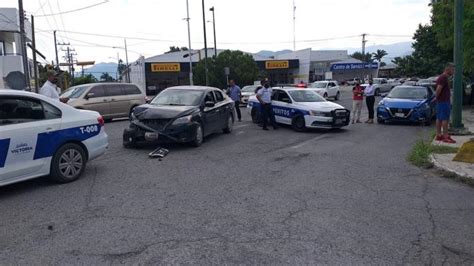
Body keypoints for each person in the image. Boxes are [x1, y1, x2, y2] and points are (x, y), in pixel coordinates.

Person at [435, 63, 456, 143]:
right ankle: (445, 136)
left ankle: (439, 135)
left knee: (439, 118)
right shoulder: (443, 77)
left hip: (441, 101)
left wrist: (436, 98)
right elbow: (438, 89)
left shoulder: (443, 77)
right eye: (452, 70)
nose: (453, 71)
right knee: (445, 119)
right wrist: (436, 97)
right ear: (448, 69)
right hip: (443, 101)